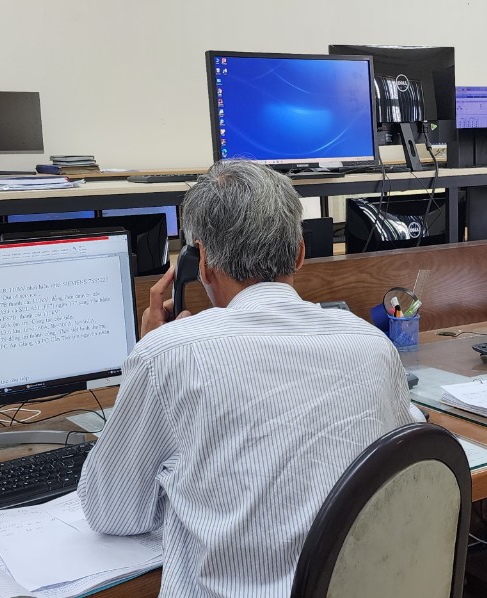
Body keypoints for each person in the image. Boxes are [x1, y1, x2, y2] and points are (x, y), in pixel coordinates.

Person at [78, 160, 421, 597]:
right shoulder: (371, 343)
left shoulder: (168, 354)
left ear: (201, 263)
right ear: (300, 253)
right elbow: (409, 448)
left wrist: (148, 352)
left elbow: (112, 512)